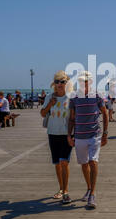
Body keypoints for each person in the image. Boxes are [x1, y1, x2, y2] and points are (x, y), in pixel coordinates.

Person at [67, 71, 109, 209]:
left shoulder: (97, 95)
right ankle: (89, 188)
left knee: (93, 161)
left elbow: (105, 114)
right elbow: (72, 118)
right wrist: (69, 135)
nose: (82, 83)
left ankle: (93, 194)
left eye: (85, 81)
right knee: (84, 164)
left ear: (90, 82)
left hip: (94, 134)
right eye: (80, 81)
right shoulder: (74, 97)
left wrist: (105, 134)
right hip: (79, 135)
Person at [41, 71, 74, 204]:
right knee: (57, 163)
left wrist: (73, 134)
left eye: (62, 82)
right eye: (57, 82)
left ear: (67, 83)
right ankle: (61, 189)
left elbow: (73, 117)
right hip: (53, 133)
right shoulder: (49, 97)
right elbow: (43, 114)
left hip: (66, 134)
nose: (60, 84)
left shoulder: (71, 97)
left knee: (64, 161)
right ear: (54, 84)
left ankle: (66, 191)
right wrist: (50, 104)